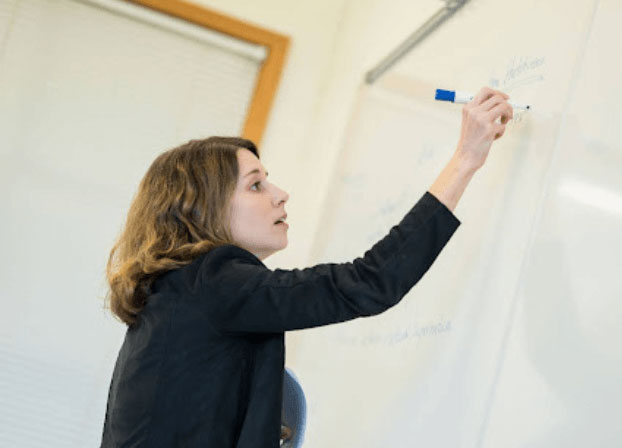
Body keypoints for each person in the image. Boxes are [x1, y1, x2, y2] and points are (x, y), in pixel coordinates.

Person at [100, 87, 513, 447]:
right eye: (256, 185)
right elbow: (370, 282)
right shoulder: (211, 279)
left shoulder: (175, 291)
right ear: (202, 208)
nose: (280, 195)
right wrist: (464, 160)